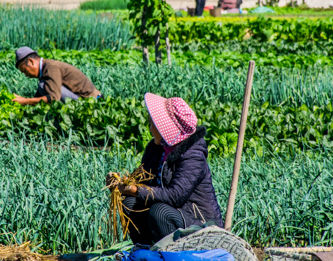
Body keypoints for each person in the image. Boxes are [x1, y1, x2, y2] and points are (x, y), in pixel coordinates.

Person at [111, 93, 224, 246]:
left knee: (160, 212)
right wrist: (120, 183)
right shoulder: (158, 149)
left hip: (200, 222)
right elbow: (141, 180)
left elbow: (175, 196)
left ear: (164, 128)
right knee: (129, 202)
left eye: (152, 125)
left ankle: (171, 255)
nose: (150, 129)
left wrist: (134, 189)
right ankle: (145, 249)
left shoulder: (193, 155)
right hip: (174, 212)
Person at [12, 47, 101, 105]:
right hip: (83, 98)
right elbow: (37, 97)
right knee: (43, 86)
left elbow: (54, 98)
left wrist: (25, 101)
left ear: (31, 61)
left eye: (24, 71)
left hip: (90, 101)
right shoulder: (45, 69)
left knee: (43, 86)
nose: (25, 75)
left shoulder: (51, 67)